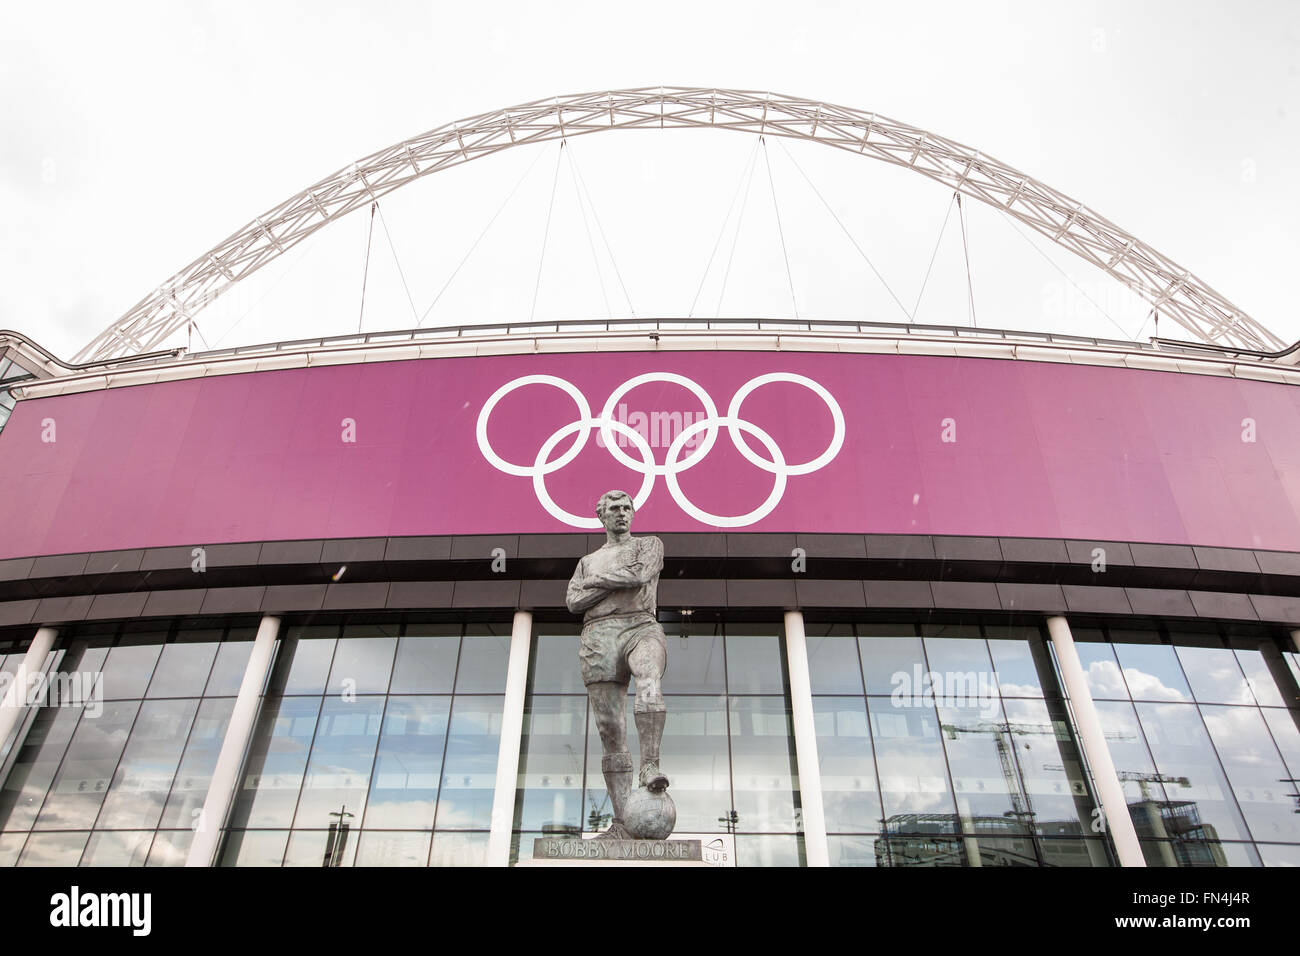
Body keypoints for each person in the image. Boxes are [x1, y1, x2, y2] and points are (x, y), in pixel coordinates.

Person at [566, 489, 669, 840]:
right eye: (614, 508)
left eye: (627, 507)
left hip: (640, 624)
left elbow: (640, 575)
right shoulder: (587, 561)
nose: (622, 513)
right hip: (598, 635)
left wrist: (597, 583)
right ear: (602, 516)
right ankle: (622, 821)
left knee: (649, 680)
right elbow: (574, 601)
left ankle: (650, 765)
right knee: (610, 730)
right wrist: (606, 582)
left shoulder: (649, 544)